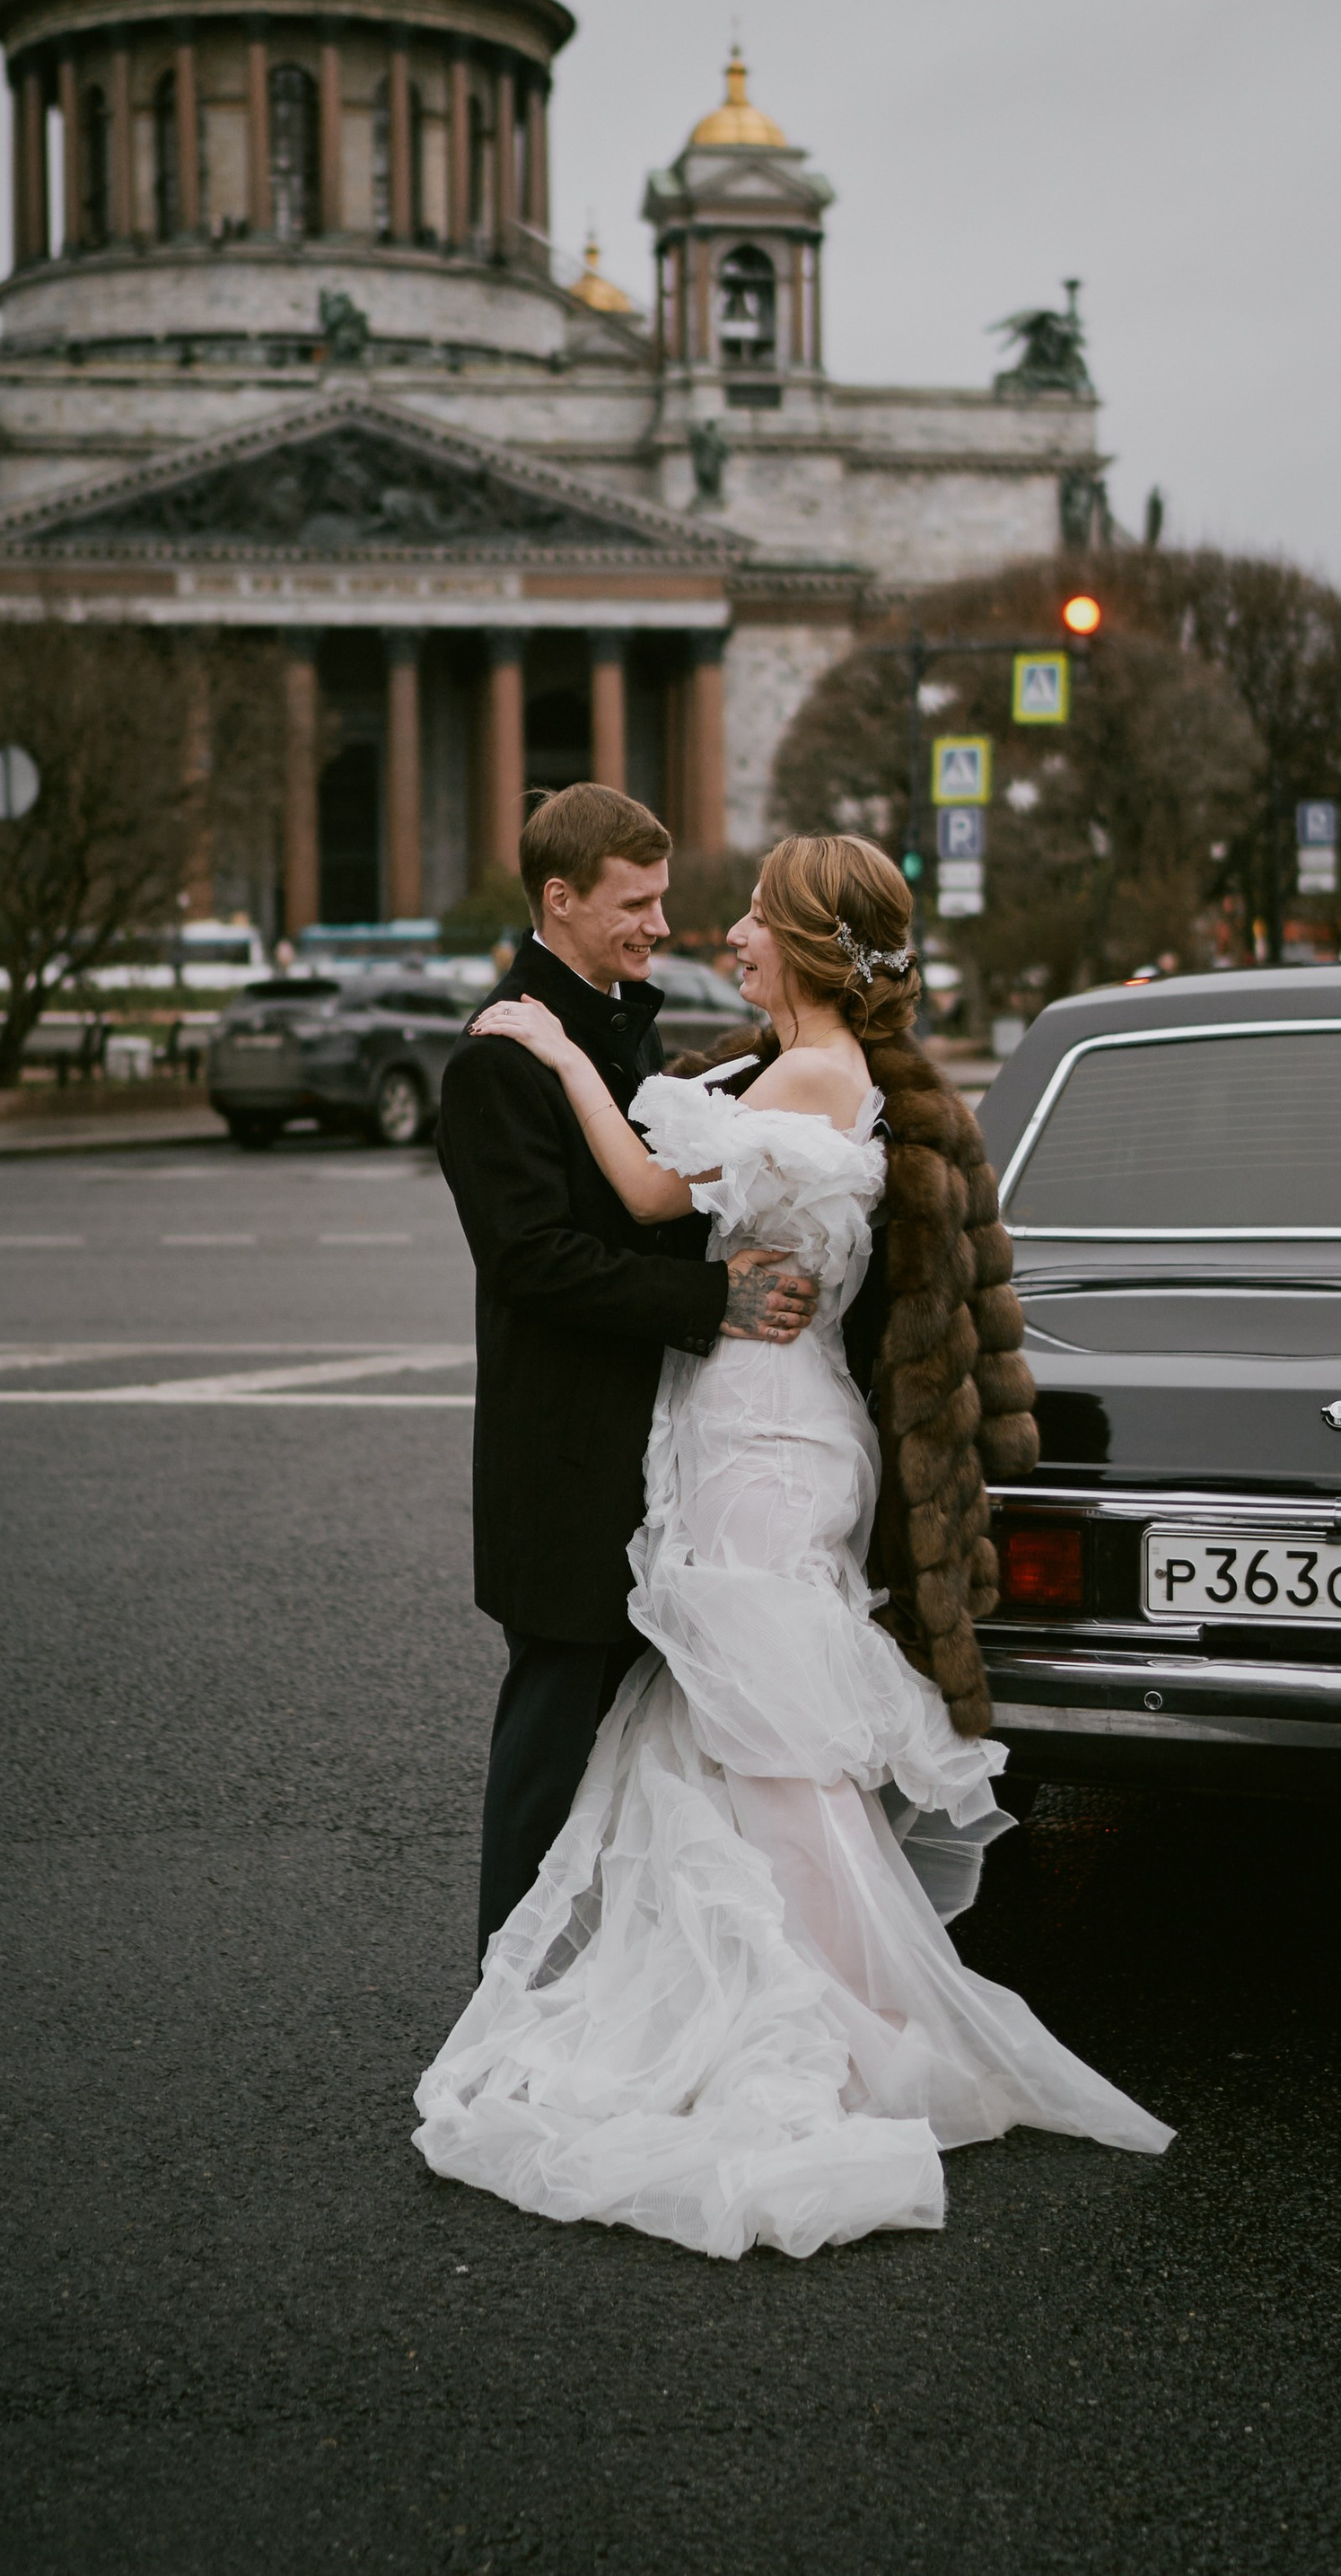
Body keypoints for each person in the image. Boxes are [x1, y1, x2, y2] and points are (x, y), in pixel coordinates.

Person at [416, 830, 1170, 2259]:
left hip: (762, 1439)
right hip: (770, 1426)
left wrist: (559, 1055)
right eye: (666, 905)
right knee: (754, 1735)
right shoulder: (812, 1068)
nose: (727, 933)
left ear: (816, 945)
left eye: (756, 917)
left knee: (774, 1741)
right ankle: (839, 2003)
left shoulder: (810, 1076)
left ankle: (851, 2020)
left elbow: (654, 1198)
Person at [436, 786, 820, 1965]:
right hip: (566, 1463)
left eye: (660, 899)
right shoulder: (499, 1058)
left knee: (643, 1757)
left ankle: (611, 1988)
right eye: (635, 903)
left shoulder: (613, 1023)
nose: (660, 923)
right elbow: (533, 1262)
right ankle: (510, 1991)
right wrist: (716, 1300)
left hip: (660, 1451)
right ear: (560, 899)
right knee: (551, 1755)